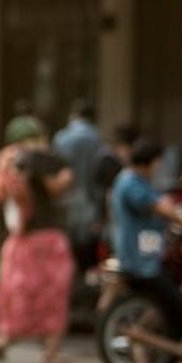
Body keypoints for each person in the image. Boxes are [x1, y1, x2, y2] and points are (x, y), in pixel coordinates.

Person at [0, 115, 76, 363]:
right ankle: (51, 350)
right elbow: (55, 187)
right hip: (46, 235)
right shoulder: (37, 158)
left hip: (18, 238)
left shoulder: (6, 159)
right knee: (53, 294)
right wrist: (66, 176)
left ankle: (3, 340)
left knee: (17, 293)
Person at [110, 139, 182, 337]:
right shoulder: (131, 184)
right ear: (153, 161)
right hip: (140, 260)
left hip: (145, 255)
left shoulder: (134, 180)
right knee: (171, 302)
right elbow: (164, 208)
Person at [53, 99, 104, 269]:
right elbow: (97, 174)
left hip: (64, 199)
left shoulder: (61, 137)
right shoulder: (96, 139)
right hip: (88, 199)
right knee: (85, 249)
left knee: (64, 248)